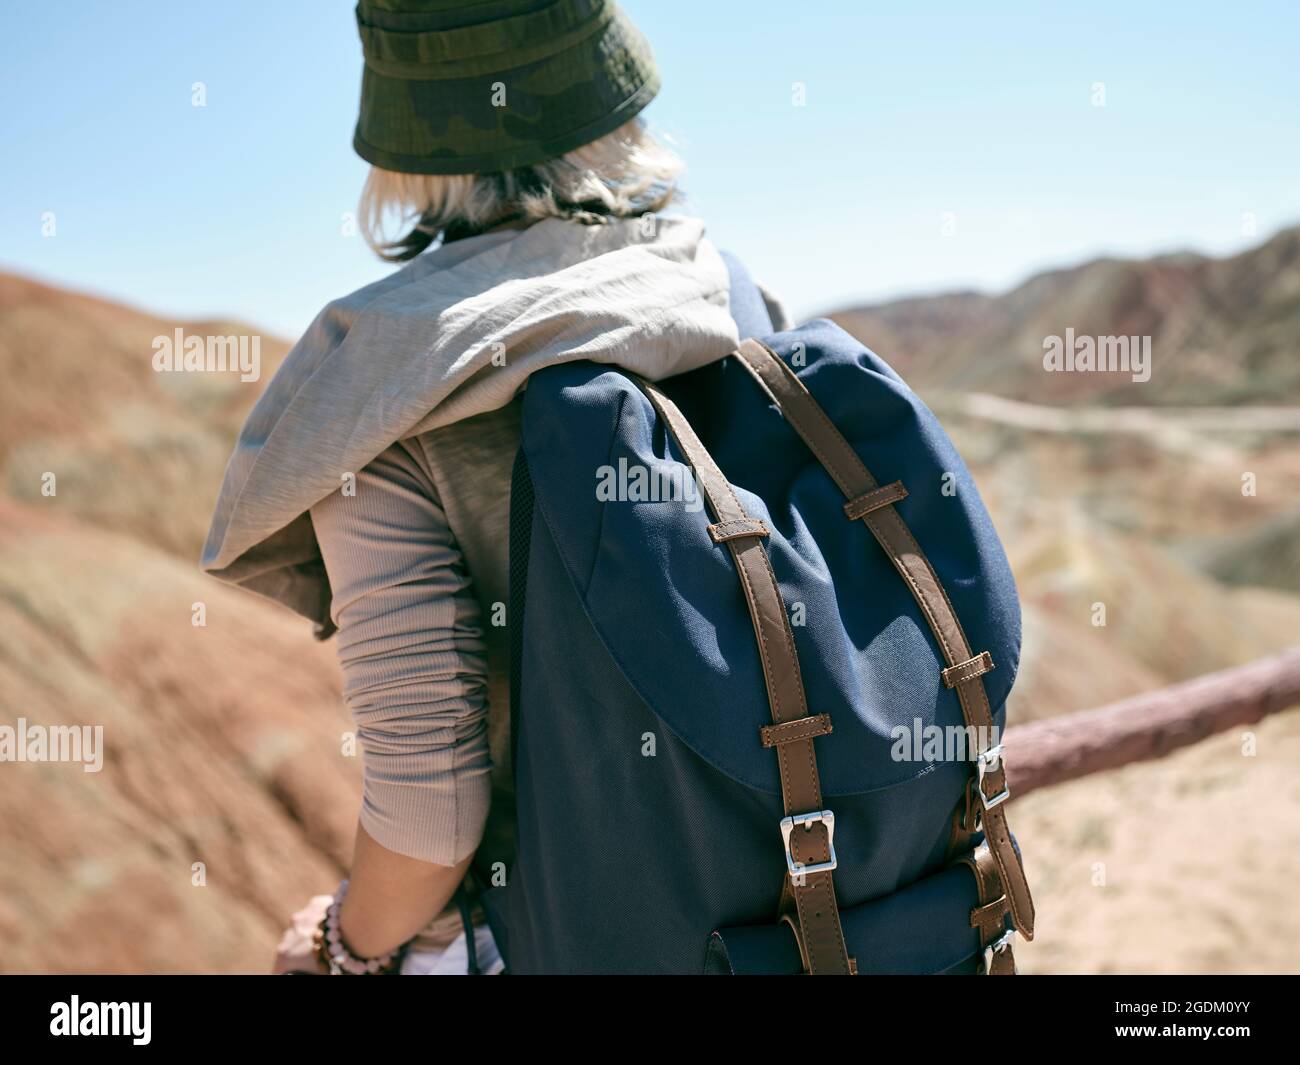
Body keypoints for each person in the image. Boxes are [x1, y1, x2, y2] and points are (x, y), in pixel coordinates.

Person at [202, 0, 789, 974]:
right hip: (811, 887)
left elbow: (431, 815)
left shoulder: (380, 384)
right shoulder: (721, 291)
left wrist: (341, 947)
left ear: (401, 145)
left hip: (585, 930)